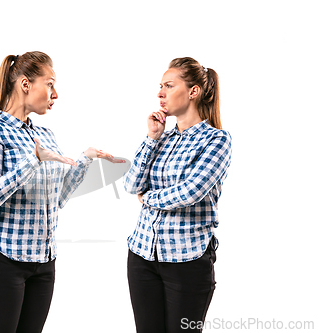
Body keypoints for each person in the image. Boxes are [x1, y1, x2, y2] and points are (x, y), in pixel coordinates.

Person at [0, 51, 124, 333]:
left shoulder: (46, 135)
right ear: (25, 84)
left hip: (42, 261)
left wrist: (85, 158)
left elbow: (59, 197)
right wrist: (34, 159)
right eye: (50, 84)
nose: (55, 94)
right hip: (2, 259)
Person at [123, 57, 232, 333]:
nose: (161, 93)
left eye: (169, 86)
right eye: (160, 86)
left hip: (187, 261)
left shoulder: (216, 140)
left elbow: (190, 192)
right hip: (142, 256)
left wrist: (148, 199)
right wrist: (151, 138)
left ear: (193, 91)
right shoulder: (163, 139)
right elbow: (132, 185)